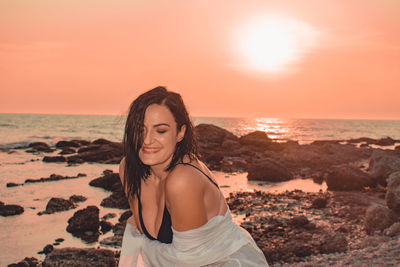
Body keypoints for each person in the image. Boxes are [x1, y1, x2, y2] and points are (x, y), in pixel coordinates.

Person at [118, 86, 268, 266]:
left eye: (161, 130)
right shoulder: (128, 169)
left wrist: (140, 244)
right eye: (140, 129)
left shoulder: (183, 179)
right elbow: (147, 234)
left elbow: (187, 262)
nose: (147, 140)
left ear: (180, 132)